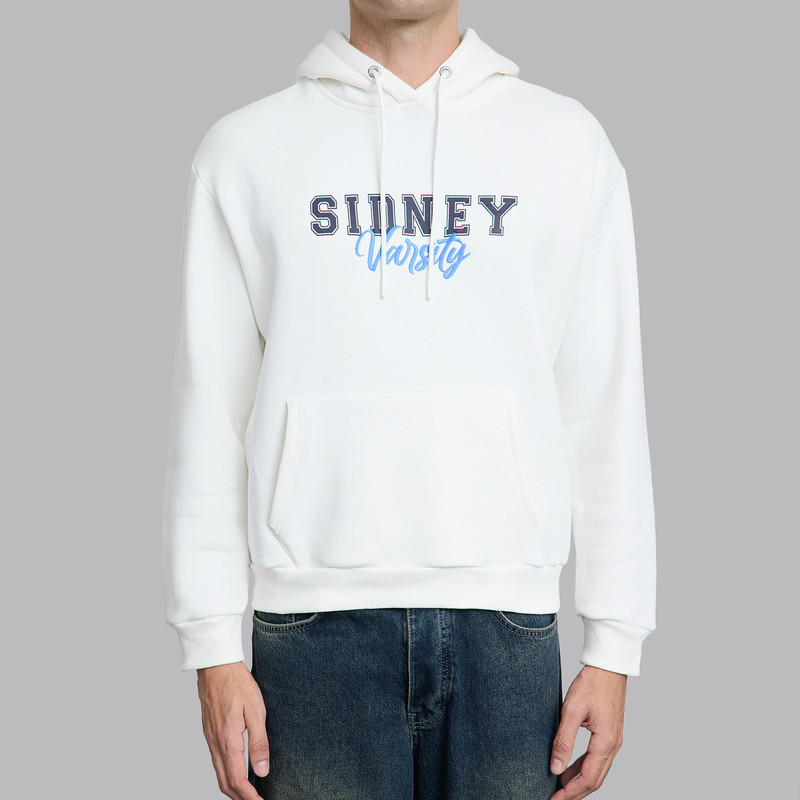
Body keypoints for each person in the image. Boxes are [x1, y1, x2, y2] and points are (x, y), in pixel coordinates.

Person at [160, 2, 657, 799]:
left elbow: (603, 403)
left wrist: (614, 643)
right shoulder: (245, 151)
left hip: (508, 629)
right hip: (310, 631)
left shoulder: (566, 144)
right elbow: (211, 410)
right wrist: (211, 646)